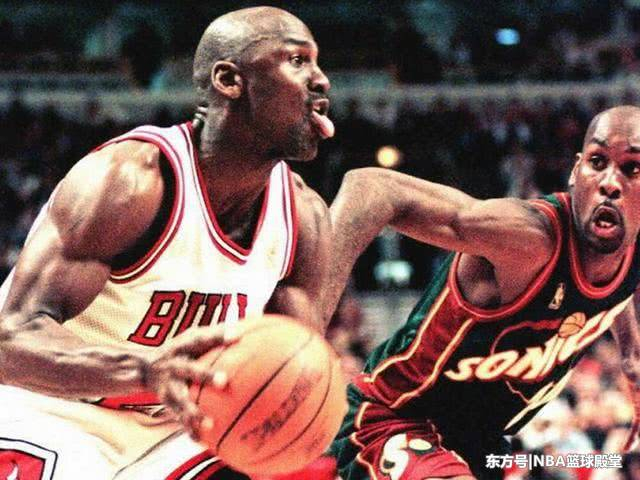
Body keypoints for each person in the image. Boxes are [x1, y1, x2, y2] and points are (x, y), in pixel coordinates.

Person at [0, 6, 334, 480]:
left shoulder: (304, 218)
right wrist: (144, 370)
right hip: (52, 410)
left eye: (317, 63)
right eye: (297, 60)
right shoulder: (129, 182)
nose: (321, 80)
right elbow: (9, 342)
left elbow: (297, 368)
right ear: (229, 80)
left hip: (178, 428)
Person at [324, 105, 640, 479]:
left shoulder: (627, 248)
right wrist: (310, 324)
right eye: (597, 162)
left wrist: (631, 354)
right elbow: (372, 187)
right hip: (395, 419)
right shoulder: (528, 239)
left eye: (633, 168)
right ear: (575, 170)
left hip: (482, 444)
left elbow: (618, 283)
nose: (609, 182)